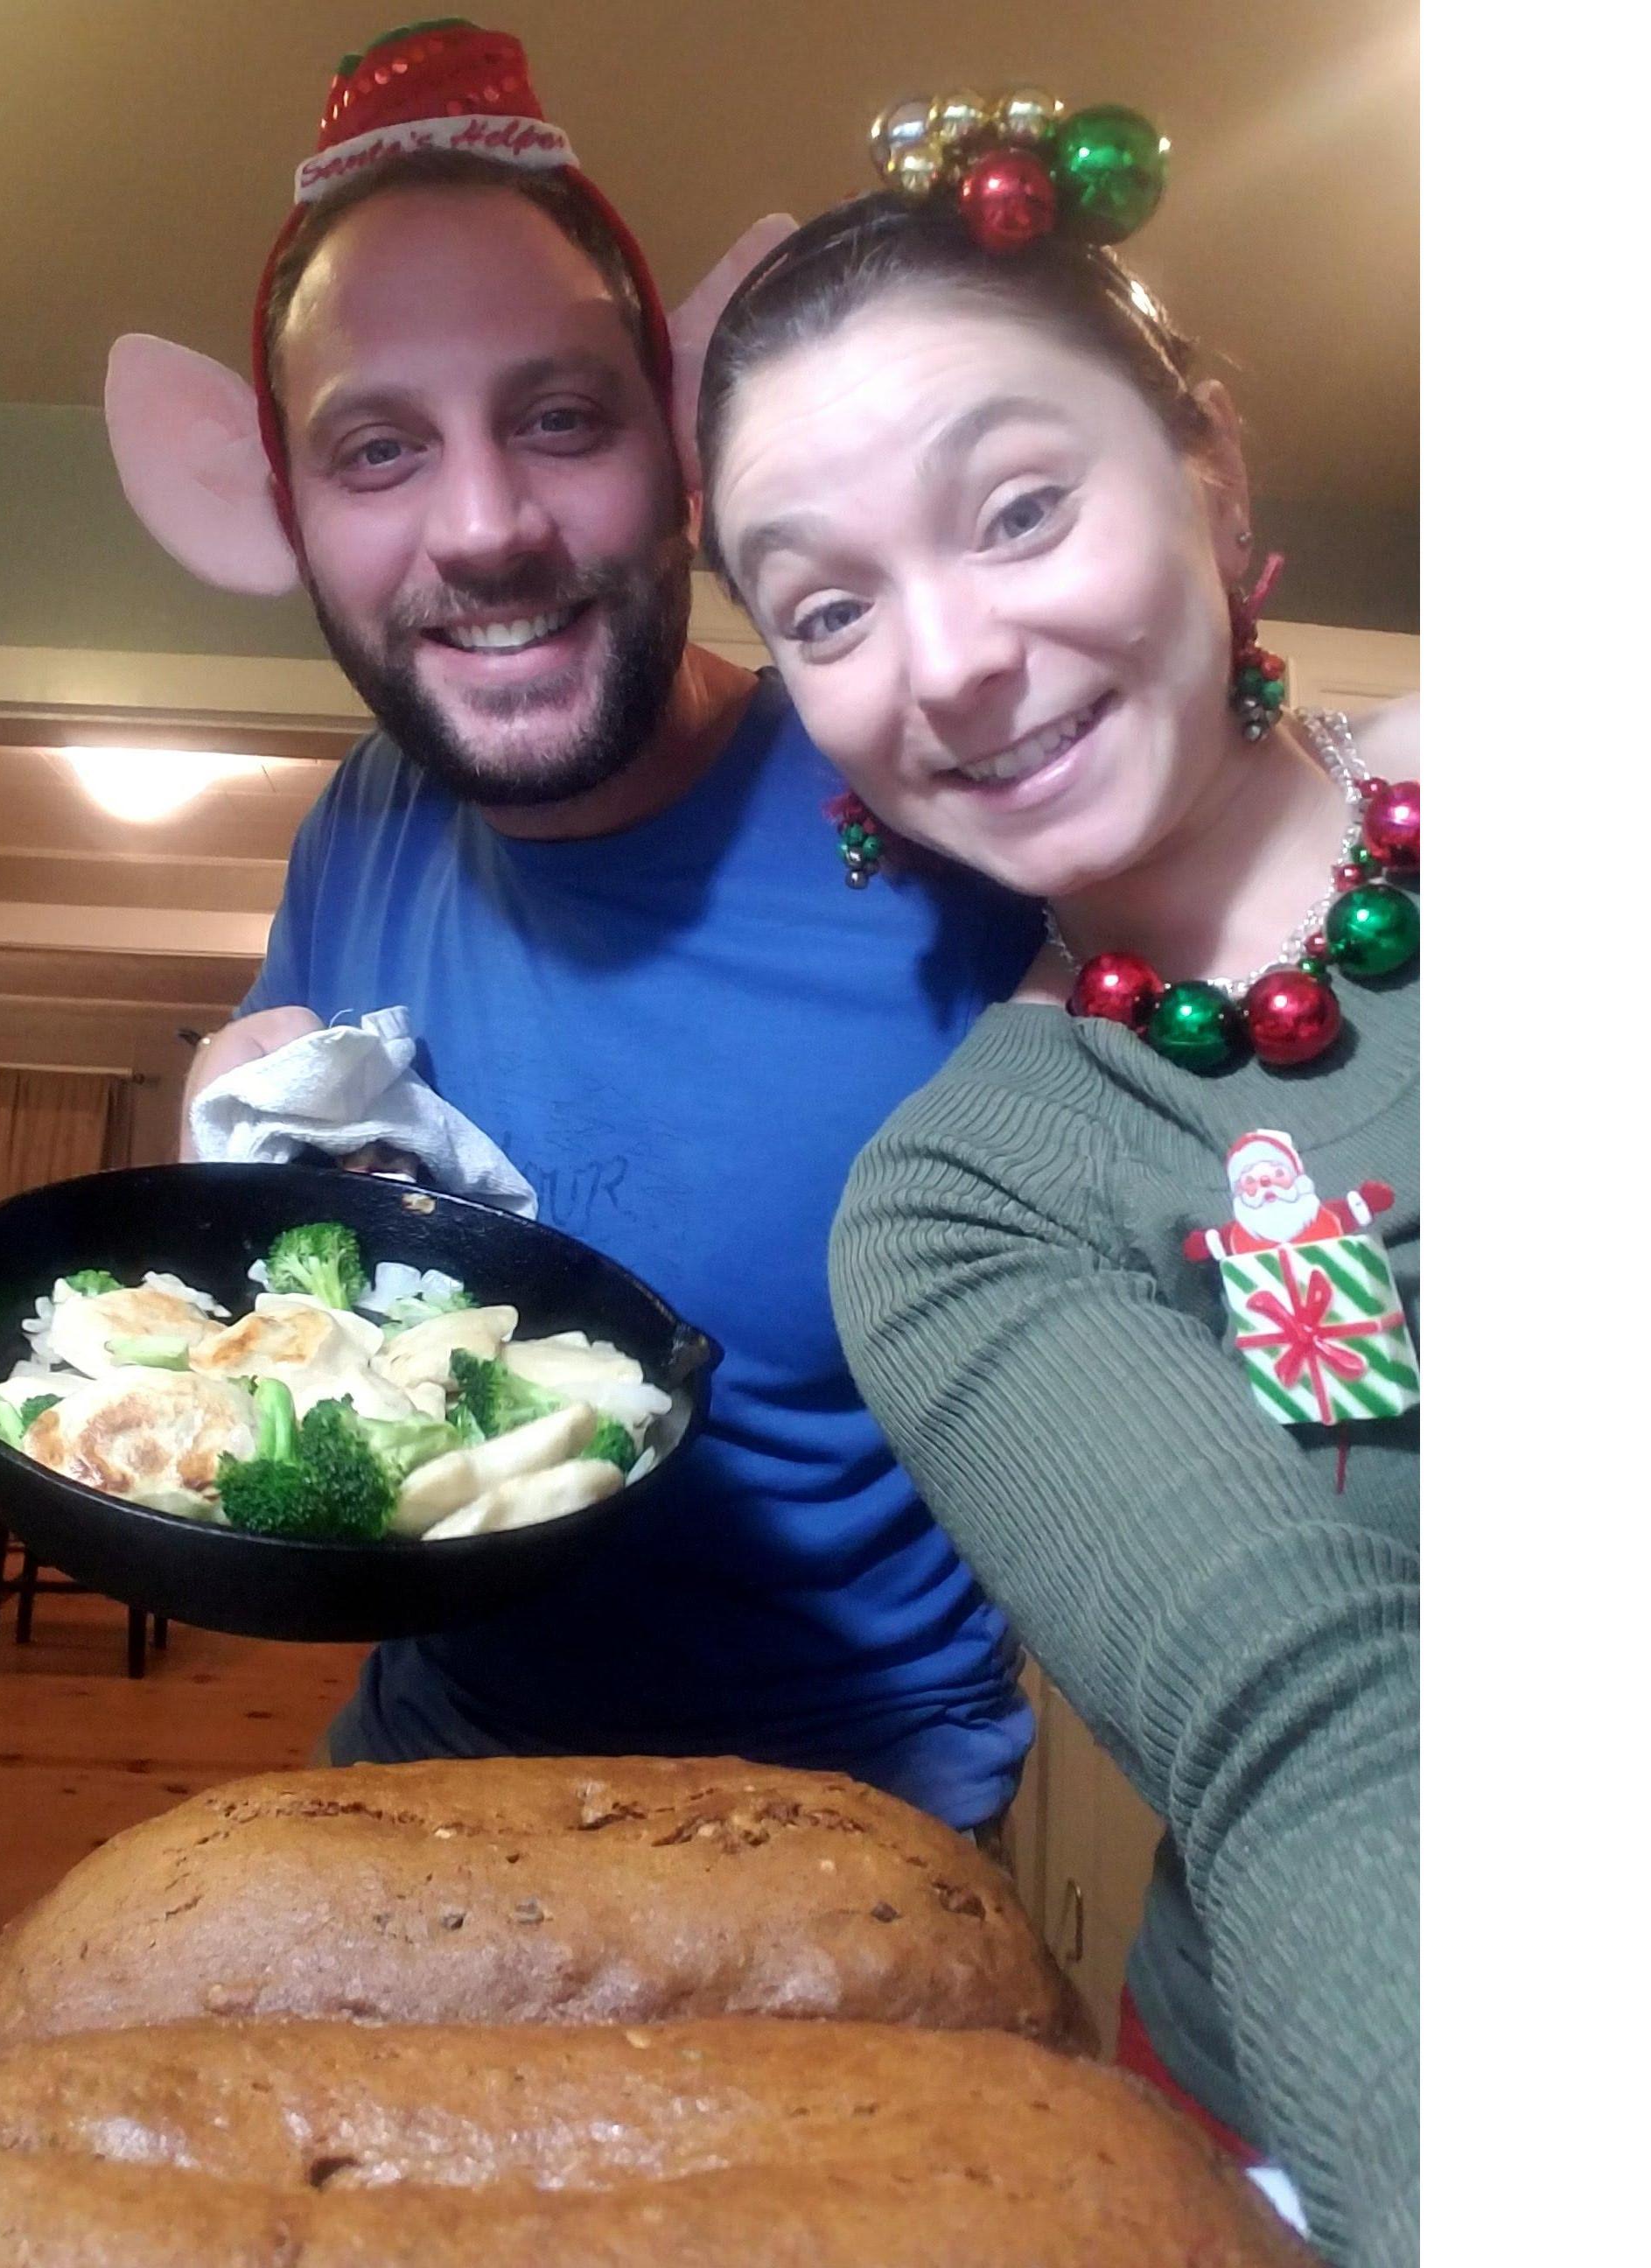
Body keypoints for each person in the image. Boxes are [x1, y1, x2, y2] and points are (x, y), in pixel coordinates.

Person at [107, 24, 1043, 1832]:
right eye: (379, 448)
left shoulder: (939, 815)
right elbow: (302, 1208)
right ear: (284, 515)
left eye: (560, 418)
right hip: (425, 1761)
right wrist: (241, 1127)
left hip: (850, 1820)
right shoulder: (363, 818)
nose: (485, 528)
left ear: (689, 450)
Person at [694, 94, 1417, 2268]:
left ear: (1207, 467)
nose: (949, 663)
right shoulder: (967, 1200)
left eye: (1018, 508)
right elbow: (1316, 1722)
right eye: (828, 610)